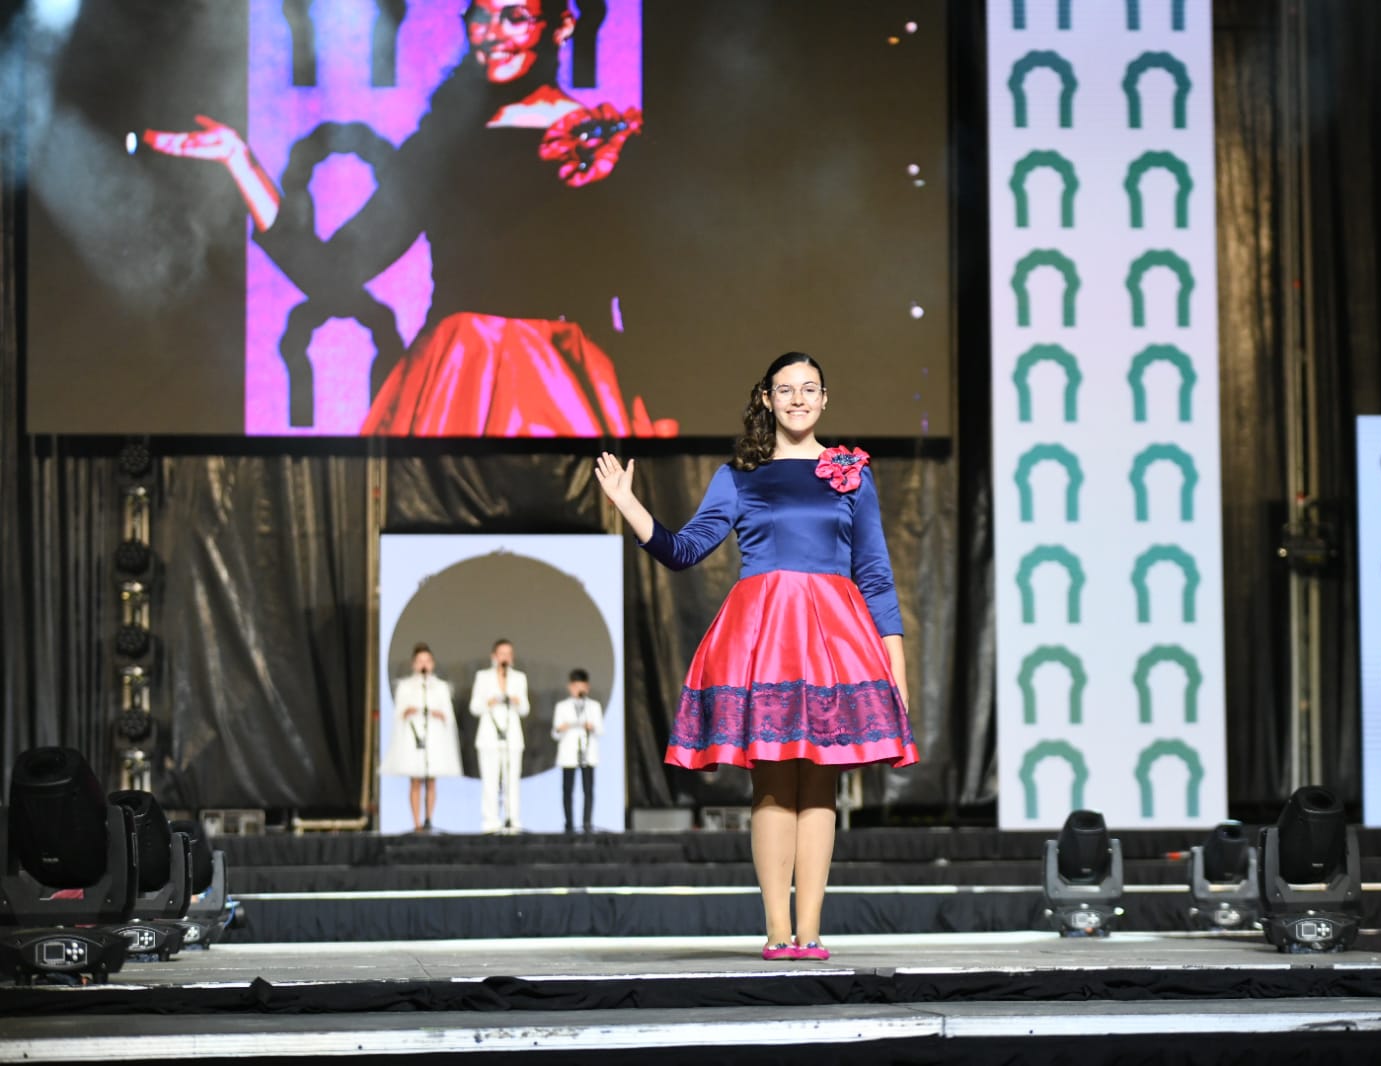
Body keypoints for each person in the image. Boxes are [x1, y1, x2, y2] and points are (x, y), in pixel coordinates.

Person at [142, 0, 675, 438]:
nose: (493, 33)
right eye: (481, 16)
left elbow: (643, 293)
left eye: (515, 16)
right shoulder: (440, 144)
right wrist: (241, 161)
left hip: (571, 393)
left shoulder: (608, 142)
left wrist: (662, 409)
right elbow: (335, 271)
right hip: (457, 389)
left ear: (562, 25)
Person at [594, 351, 917, 961]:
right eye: (785, 389)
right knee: (772, 783)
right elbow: (686, 550)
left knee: (822, 784)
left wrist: (893, 666)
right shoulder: (739, 476)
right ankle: (776, 932)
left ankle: (812, 932)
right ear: (767, 399)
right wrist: (630, 506)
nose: (797, 398)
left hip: (835, 640)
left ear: (825, 399)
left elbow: (874, 574)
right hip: (766, 636)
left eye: (809, 388)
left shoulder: (852, 473)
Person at [378, 643, 463, 832]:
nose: (424, 664)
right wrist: (409, 711)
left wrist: (437, 714)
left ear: (432, 663)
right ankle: (416, 823)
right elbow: (398, 713)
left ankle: (429, 819)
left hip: (434, 737)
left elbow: (448, 715)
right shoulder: (406, 687)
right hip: (413, 737)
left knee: (431, 780)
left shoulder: (440, 687)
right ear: (414, 664)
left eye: (427, 660)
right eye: (420, 661)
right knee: (415, 780)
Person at [469, 639, 531, 832]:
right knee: (490, 780)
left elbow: (525, 709)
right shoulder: (483, 677)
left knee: (512, 779)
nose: (505, 657)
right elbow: (474, 707)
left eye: (508, 654)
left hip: (512, 736)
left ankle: (512, 819)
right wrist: (490, 701)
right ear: (494, 656)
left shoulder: (519, 678)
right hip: (489, 736)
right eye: (501, 653)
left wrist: (515, 700)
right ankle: (490, 821)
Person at [551, 668, 604, 834]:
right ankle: (569, 824)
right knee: (568, 790)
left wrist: (592, 727)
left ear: (587, 687)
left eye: (581, 687)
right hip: (569, 753)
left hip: (587, 752)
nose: (578, 690)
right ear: (570, 687)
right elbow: (554, 733)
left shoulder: (593, 706)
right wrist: (563, 728)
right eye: (575, 686)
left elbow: (601, 730)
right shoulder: (562, 706)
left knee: (588, 789)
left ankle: (587, 823)